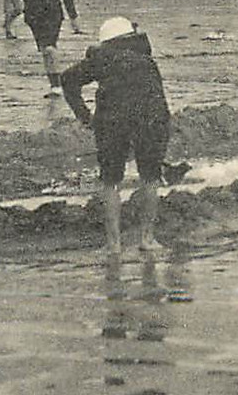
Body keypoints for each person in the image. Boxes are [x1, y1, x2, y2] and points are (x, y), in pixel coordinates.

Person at [61, 17, 171, 254]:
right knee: (150, 177)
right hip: (152, 117)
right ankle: (148, 239)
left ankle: (113, 244)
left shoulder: (101, 57)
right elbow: (159, 98)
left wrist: (84, 115)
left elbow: (67, 79)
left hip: (112, 119)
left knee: (110, 180)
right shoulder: (146, 58)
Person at [20, 0, 81, 96]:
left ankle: (58, 85)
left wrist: (73, 17)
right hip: (35, 17)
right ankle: (53, 84)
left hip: (52, 15)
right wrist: (27, 15)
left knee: (49, 48)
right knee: (45, 51)